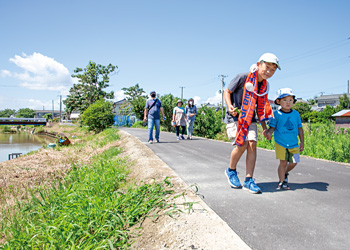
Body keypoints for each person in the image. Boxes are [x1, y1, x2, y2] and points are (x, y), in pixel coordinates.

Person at [224, 53, 280, 194]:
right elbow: (227, 91)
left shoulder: (264, 86)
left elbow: (261, 107)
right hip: (235, 115)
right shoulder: (243, 77)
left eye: (272, 70)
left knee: (252, 144)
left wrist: (265, 129)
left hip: (251, 117)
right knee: (242, 144)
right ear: (258, 64)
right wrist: (230, 106)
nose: (269, 71)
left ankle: (249, 180)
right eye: (267, 67)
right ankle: (231, 171)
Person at [265, 88, 304, 190]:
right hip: (280, 142)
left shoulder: (296, 114)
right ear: (278, 102)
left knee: (294, 162)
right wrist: (268, 133)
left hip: (294, 143)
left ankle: (285, 172)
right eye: (285, 100)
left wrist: (302, 142)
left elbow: (300, 128)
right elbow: (272, 127)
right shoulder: (276, 114)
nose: (288, 102)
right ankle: (282, 181)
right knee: (283, 162)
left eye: (290, 100)